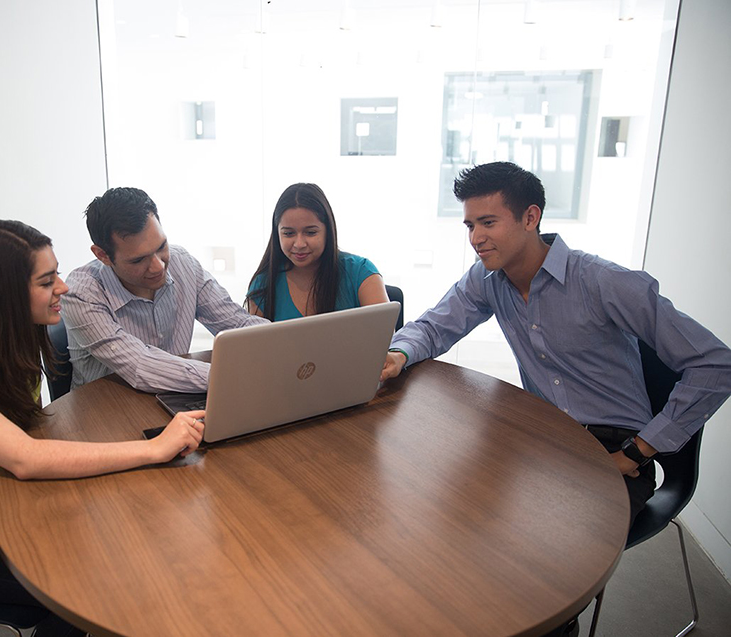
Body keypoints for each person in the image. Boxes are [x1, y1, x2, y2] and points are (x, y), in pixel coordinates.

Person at [0, 220, 205, 636]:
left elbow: (31, 435)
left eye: (58, 273)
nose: (62, 287)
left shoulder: (9, 337)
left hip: (7, 502)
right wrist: (153, 449)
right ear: (2, 294)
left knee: (126, 547)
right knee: (87, 586)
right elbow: (23, 456)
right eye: (47, 281)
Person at [382, 162, 731, 529]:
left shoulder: (604, 282)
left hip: (614, 451)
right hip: (543, 443)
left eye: (488, 223)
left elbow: (716, 365)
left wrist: (637, 452)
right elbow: (434, 327)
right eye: (470, 225)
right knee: (447, 505)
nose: (475, 238)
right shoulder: (486, 278)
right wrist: (398, 353)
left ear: (530, 217)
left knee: (541, 546)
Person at [62, 187, 267, 393]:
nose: (158, 266)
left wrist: (286, 349)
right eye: (139, 259)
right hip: (105, 410)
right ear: (103, 255)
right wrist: (229, 377)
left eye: (161, 246)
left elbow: (237, 323)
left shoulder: (182, 263)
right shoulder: (82, 292)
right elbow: (141, 364)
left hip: (178, 396)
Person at [246, 183, 388, 320]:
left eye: (311, 232)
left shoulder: (360, 272)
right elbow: (255, 343)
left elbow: (384, 337)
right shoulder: (263, 284)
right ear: (277, 234)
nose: (299, 244)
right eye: (289, 234)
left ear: (328, 231)